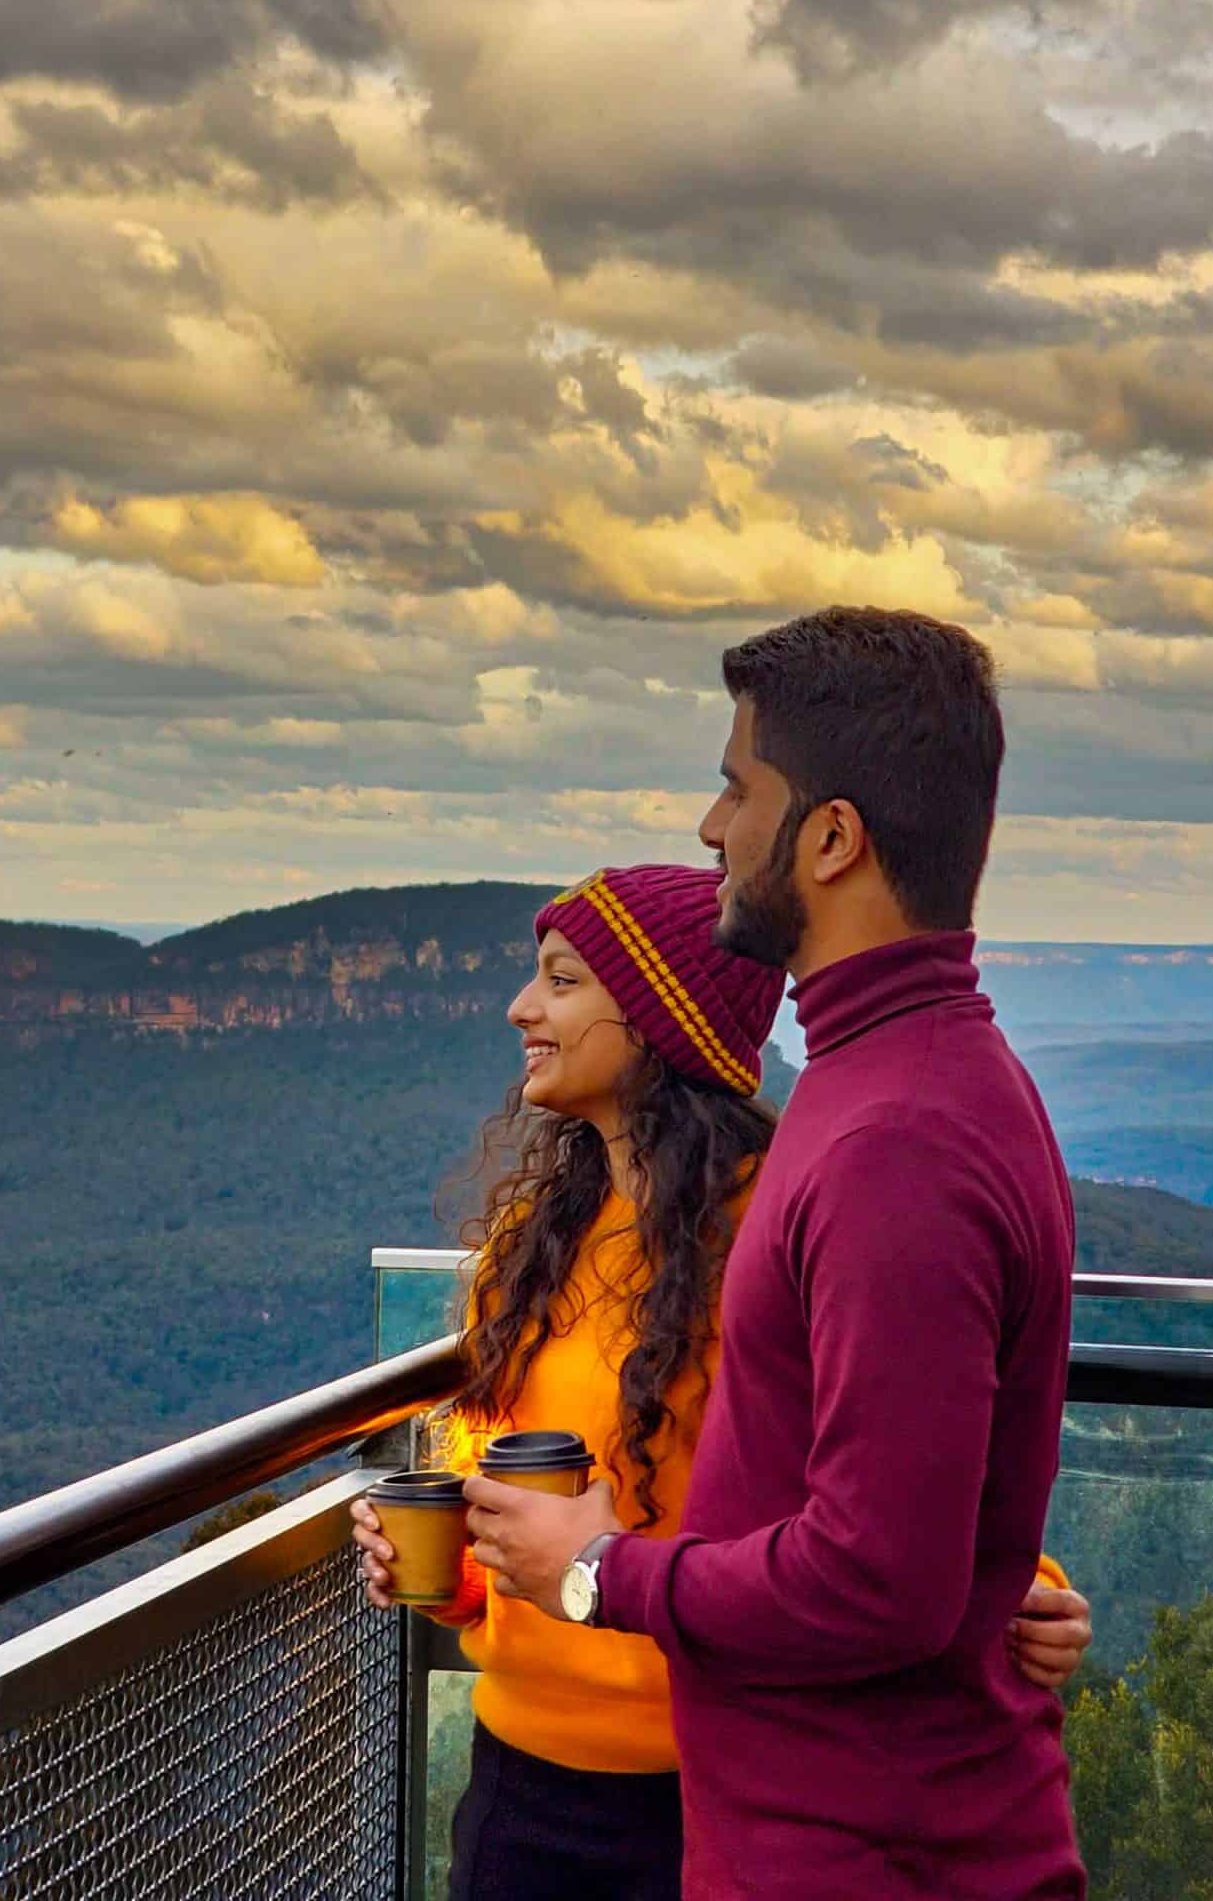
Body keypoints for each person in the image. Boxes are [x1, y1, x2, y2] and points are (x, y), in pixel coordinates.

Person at [465, 609, 1088, 1899]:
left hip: (865, 1856)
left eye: (737, 788)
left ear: (829, 838)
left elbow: (878, 1584)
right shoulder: (893, 1087)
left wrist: (595, 1570)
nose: (711, 829)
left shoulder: (896, 1138)